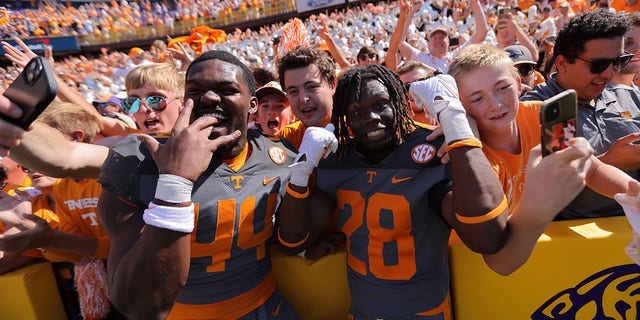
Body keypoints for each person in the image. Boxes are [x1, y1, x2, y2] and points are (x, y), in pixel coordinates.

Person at [278, 63, 510, 319]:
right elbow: (293, 241)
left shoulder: (431, 147)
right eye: (356, 111)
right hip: (362, 313)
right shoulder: (338, 159)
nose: (371, 118)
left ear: (399, 101)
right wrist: (300, 173)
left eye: (380, 104)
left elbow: (489, 236)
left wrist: (454, 119)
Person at [97, 50, 299, 319]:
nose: (209, 98)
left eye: (226, 89)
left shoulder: (279, 155)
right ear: (184, 101)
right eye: (196, 89)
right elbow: (136, 306)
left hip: (268, 306)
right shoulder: (139, 160)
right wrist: (174, 180)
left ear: (252, 105)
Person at [423, 44, 636, 275]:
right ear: (461, 105)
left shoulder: (541, 114)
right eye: (477, 99)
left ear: (518, 84)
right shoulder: (470, 153)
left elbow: (591, 170)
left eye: (502, 87)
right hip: (472, 265)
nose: (495, 104)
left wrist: (633, 192)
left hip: (522, 253)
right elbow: (495, 241)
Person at [522, 9, 637, 220]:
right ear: (563, 63)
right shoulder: (541, 108)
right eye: (599, 65)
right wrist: (610, 161)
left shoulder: (629, 96)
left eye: (618, 62)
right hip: (575, 240)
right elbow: (549, 185)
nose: (610, 73)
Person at [386, 0, 488, 73]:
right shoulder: (421, 58)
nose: (438, 40)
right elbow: (400, 43)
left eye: (442, 37)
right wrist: (409, 14)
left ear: (448, 42)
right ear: (428, 44)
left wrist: (475, 3)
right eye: (434, 38)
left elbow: (482, 32)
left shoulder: (456, 56)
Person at [277, 46, 336, 148]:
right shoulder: (286, 138)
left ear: (332, 86)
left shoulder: (356, 129)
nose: (303, 99)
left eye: (312, 87)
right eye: (293, 91)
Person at [396, 61, 438, 125]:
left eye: (420, 82)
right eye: (406, 87)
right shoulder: (397, 128)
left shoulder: (451, 117)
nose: (414, 89)